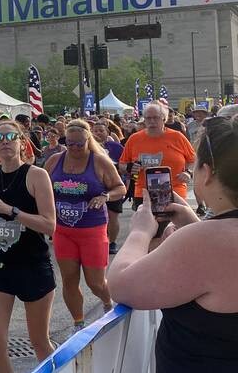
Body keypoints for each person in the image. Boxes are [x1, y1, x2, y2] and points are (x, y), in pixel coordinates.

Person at [108, 115, 238, 373]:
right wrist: (194, 224)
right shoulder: (205, 237)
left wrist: (140, 232)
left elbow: (120, 285)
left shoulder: (204, 240)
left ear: (207, 172)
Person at [0, 121, 56, 373]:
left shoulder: (36, 176)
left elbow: (49, 225)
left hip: (32, 265)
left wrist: (9, 210)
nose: (5, 141)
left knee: (39, 342)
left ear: (22, 142)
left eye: (11, 136)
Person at [45, 120, 126, 332]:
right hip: (63, 231)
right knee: (69, 280)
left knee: (95, 283)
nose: (74, 148)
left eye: (79, 144)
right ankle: (78, 323)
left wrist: (105, 196)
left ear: (88, 141)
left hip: (92, 230)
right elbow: (41, 187)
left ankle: (107, 304)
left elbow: (120, 188)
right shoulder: (55, 160)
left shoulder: (99, 161)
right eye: (70, 143)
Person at [119, 101, 196, 216]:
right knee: (147, 226)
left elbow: (193, 159)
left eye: (156, 118)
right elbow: (122, 165)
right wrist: (130, 168)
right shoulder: (134, 139)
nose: (152, 121)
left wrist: (188, 172)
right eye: (148, 118)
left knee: (174, 226)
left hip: (175, 191)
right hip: (144, 193)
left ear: (164, 119)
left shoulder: (177, 137)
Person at [92, 121, 126, 254]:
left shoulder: (115, 147)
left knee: (113, 215)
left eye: (101, 130)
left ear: (107, 133)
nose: (98, 133)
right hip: (94, 186)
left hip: (113, 186)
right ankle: (98, 239)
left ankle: (112, 242)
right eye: (95, 130)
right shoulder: (88, 147)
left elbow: (124, 164)